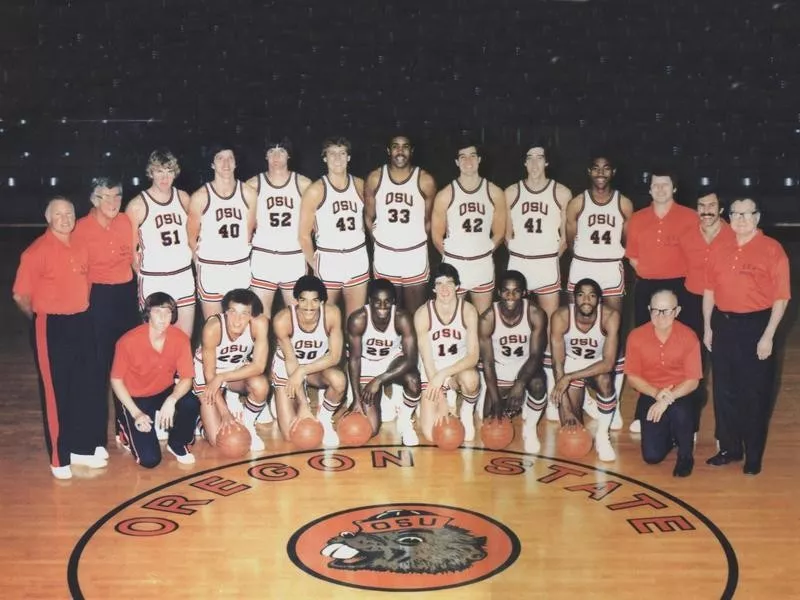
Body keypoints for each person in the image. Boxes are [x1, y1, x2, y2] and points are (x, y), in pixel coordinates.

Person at [13, 197, 107, 479]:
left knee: (85, 386)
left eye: (69, 213)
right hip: (51, 325)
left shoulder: (80, 244)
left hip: (81, 320)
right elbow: (20, 295)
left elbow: (86, 281)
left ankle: (82, 448)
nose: (65, 219)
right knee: (57, 392)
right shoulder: (36, 252)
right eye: (58, 214)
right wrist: (41, 318)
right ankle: (59, 457)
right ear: (48, 218)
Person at [703, 197, 790, 475]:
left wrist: (768, 336)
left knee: (754, 394)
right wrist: (707, 326)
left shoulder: (772, 249)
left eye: (747, 214)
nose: (740, 219)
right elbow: (709, 290)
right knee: (724, 390)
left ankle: (753, 455)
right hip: (724, 325)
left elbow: (781, 298)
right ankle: (729, 448)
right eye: (735, 213)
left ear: (758, 217)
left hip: (757, 326)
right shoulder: (719, 246)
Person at [73, 176, 139, 456]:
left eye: (117, 196)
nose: (112, 202)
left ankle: (125, 429)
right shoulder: (80, 229)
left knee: (127, 366)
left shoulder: (126, 221)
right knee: (98, 370)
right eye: (106, 197)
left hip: (126, 296)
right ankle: (96, 438)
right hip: (97, 299)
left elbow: (135, 259)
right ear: (93, 199)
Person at [111, 293, 200, 467]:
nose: (163, 318)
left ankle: (177, 443)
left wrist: (172, 399)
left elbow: (187, 378)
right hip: (134, 397)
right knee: (150, 460)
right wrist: (136, 413)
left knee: (190, 402)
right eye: (157, 312)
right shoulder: (127, 341)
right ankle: (124, 428)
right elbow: (116, 381)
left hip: (163, 390)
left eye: (168, 312)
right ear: (147, 313)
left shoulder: (180, 339)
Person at [625, 289, 702, 477]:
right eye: (656, 310)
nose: (661, 316)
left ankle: (685, 456)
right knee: (652, 456)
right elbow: (632, 377)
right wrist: (657, 394)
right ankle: (673, 436)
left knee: (680, 411)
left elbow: (693, 381)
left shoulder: (689, 336)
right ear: (649, 309)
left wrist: (667, 399)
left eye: (667, 311)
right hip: (652, 393)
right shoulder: (636, 336)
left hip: (682, 392)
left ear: (677, 311)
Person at [678, 191, 735, 433]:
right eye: (701, 205)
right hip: (692, 303)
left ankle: (726, 433)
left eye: (712, 205)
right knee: (692, 367)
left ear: (721, 209)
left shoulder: (735, 234)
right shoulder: (687, 236)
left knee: (724, 369)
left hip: (724, 305)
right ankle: (690, 426)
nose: (707, 210)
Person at [364, 134, 437, 315]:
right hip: (386, 255)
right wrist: (379, 241)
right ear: (388, 151)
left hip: (414, 254)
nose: (400, 151)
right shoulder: (375, 178)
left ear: (411, 151)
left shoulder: (425, 180)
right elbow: (368, 216)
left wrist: (415, 241)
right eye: (395, 146)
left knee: (416, 312)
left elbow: (429, 221)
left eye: (405, 147)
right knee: (387, 312)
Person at [126, 148, 196, 337]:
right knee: (154, 339)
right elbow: (131, 250)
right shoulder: (137, 205)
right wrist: (142, 272)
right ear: (151, 173)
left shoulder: (183, 198)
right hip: (154, 279)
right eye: (159, 171)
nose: (164, 178)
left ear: (175, 173)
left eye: (169, 171)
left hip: (183, 276)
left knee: (183, 339)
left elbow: (194, 236)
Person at [549, 278, 620, 462]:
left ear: (599, 300)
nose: (586, 300)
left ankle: (603, 436)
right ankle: (583, 399)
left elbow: (608, 363)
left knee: (605, 380)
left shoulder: (610, 316)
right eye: (581, 295)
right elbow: (557, 363)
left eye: (592, 296)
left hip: (596, 365)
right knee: (572, 426)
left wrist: (570, 378)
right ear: (574, 299)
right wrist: (566, 408)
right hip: (570, 363)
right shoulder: (561, 317)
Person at [298, 137, 369, 321]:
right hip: (329, 258)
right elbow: (304, 235)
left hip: (357, 257)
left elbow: (372, 217)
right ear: (324, 158)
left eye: (342, 153)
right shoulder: (316, 190)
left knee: (355, 319)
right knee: (326, 319)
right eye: (332, 153)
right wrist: (315, 265)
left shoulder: (361, 185)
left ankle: (351, 351)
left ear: (349, 158)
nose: (337, 158)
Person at [431, 142, 506, 315]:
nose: (468, 161)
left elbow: (500, 233)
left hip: (482, 265)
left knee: (484, 319)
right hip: (455, 264)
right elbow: (436, 235)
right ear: (456, 162)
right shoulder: (445, 194)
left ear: (479, 160)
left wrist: (482, 252)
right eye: (462, 157)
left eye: (472, 156)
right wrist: (452, 256)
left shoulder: (494, 192)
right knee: (453, 319)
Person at [271, 275, 347, 447]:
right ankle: (282, 396)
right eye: (303, 300)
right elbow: (291, 362)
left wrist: (303, 371)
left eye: (315, 301)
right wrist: (303, 403)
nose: (309, 306)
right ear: (296, 299)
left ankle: (325, 418)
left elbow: (335, 356)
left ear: (322, 301)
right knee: (291, 435)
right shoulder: (283, 320)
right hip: (288, 369)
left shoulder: (332, 313)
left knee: (339, 380)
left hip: (316, 367)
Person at [479, 270, 548, 453]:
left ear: (524, 293)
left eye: (516, 291)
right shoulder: (487, 318)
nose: (511, 296)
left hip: (525, 365)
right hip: (500, 367)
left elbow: (535, 356)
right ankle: (506, 400)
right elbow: (487, 363)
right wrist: (495, 400)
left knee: (539, 383)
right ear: (499, 292)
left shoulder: (535, 314)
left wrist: (520, 383)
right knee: (489, 416)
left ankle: (530, 427)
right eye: (506, 291)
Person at [347, 278, 421, 446]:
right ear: (369, 301)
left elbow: (411, 359)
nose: (382, 307)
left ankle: (404, 420)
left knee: (414, 381)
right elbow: (354, 359)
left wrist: (379, 380)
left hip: (391, 363)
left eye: (387, 302)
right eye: (377, 302)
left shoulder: (402, 318)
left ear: (393, 302)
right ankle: (381, 401)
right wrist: (357, 399)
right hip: (366, 363)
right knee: (370, 430)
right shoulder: (358, 319)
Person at [193, 289, 269, 451]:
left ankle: (247, 423)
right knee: (217, 440)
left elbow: (259, 366)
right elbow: (209, 375)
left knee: (260, 385)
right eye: (232, 312)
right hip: (207, 375)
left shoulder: (260, 324)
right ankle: (198, 420)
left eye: (244, 314)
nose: (237, 320)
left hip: (233, 371)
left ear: (252, 316)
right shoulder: (213, 327)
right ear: (225, 312)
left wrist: (223, 378)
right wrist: (225, 412)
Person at [187, 144, 257, 318]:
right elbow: (191, 237)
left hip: (239, 266)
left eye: (230, 158)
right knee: (213, 325)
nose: (226, 164)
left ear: (235, 163)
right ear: (212, 164)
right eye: (220, 159)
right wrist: (201, 261)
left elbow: (249, 232)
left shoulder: (248, 193)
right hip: (212, 269)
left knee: (240, 326)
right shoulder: (200, 196)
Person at [414, 264, 481, 442]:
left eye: (449, 283)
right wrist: (440, 397)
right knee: (430, 435)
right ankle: (443, 398)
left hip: (456, 370)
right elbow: (426, 359)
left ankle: (466, 411)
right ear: (433, 288)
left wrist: (445, 374)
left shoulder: (468, 311)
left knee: (471, 379)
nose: (444, 289)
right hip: (431, 372)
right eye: (439, 284)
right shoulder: (422, 313)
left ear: (457, 286)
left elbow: (474, 356)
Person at [504, 144, 572, 319]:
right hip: (519, 262)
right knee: (515, 320)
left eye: (539, 158)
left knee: (550, 320)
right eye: (529, 158)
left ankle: (548, 348)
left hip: (546, 264)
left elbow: (565, 239)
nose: (534, 164)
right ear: (524, 163)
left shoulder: (562, 193)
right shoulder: (511, 192)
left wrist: (548, 258)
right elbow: (507, 235)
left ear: (547, 162)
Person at [246, 138, 312, 317]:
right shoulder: (252, 185)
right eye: (271, 152)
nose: (276, 156)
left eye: (281, 151)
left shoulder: (304, 184)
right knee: (260, 316)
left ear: (289, 155)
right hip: (264, 256)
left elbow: (315, 222)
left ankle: (289, 345)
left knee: (295, 314)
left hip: (293, 256)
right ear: (265, 156)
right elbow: (246, 224)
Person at [626, 169, 698, 327]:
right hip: (647, 286)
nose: (660, 189)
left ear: (674, 188)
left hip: (682, 285)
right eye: (655, 185)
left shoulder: (691, 217)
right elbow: (632, 256)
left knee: (682, 334)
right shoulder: (637, 218)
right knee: (646, 335)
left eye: (665, 185)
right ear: (650, 190)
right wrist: (649, 272)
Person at [565, 155, 633, 314]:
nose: (600, 173)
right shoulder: (578, 202)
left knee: (613, 320)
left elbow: (626, 240)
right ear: (589, 171)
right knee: (576, 319)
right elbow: (570, 240)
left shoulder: (624, 203)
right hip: (583, 265)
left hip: (611, 267)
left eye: (606, 168)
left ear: (613, 171)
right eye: (596, 168)